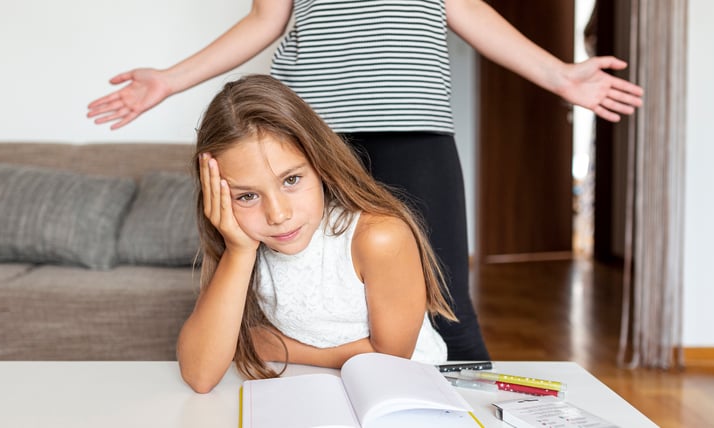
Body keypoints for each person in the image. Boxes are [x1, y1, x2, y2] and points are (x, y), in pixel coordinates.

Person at [88, 0, 644, 361]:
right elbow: (266, 18)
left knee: (447, 302)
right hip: (316, 128)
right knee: (283, 277)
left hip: (413, 123)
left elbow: (464, 5)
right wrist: (169, 80)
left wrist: (561, 75)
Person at [179, 74, 456, 393]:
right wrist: (238, 252)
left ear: (320, 163)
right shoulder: (245, 242)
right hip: (307, 389)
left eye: (291, 180)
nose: (279, 215)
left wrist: (278, 348)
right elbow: (200, 376)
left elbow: (391, 359)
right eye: (247, 196)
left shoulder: (378, 237)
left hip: (401, 391)